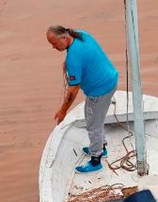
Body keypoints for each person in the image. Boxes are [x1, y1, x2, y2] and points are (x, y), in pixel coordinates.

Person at [47, 25, 119, 173]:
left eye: (54, 44)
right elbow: (82, 57)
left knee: (93, 125)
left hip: (99, 91)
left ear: (63, 37)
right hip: (110, 78)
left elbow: (73, 90)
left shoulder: (73, 58)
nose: (53, 47)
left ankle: (96, 159)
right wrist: (68, 63)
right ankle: (101, 146)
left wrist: (63, 111)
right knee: (96, 119)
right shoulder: (80, 34)